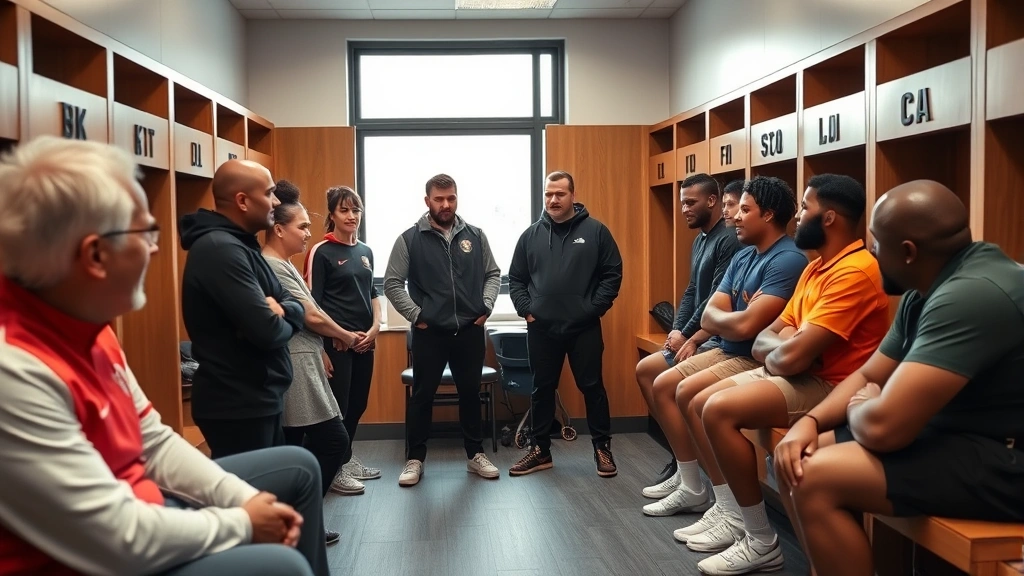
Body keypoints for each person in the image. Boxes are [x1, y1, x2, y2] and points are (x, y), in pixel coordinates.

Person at [0, 136, 328, 576]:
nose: (156, 249)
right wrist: (242, 523)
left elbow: (151, 439)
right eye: (144, 232)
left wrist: (244, 500)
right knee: (280, 565)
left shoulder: (93, 332)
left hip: (145, 505)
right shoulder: (14, 370)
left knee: (298, 468)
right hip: (105, 557)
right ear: (95, 255)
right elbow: (118, 538)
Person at [775, 180, 1024, 576]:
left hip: (1008, 460)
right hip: (961, 436)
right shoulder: (924, 287)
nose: (872, 252)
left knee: (815, 476)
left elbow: (882, 427)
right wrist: (810, 421)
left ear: (908, 252)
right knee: (795, 454)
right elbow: (872, 373)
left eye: (877, 243)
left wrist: (863, 405)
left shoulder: (971, 294)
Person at [688, 174, 890, 575]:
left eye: (804, 208)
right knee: (699, 401)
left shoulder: (855, 271)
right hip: (798, 375)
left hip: (832, 387)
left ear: (829, 218)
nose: (796, 217)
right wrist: (786, 345)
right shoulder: (817, 268)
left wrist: (786, 346)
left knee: (718, 410)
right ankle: (739, 523)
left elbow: (789, 352)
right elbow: (769, 339)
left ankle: (760, 540)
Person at [640, 176, 807, 517]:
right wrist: (723, 318)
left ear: (770, 215)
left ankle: (727, 506)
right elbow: (711, 310)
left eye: (744, 209)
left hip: (747, 355)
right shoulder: (745, 256)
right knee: (666, 384)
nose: (736, 217)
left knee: (687, 394)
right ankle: (704, 491)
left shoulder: (787, 259)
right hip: (730, 347)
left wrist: (724, 318)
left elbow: (745, 325)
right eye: (735, 208)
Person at [179, 160, 305, 459]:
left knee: (271, 495)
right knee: (252, 499)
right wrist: (283, 314)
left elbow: (292, 303)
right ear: (243, 201)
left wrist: (285, 310)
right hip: (237, 405)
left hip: (259, 398)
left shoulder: (243, 245)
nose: (276, 202)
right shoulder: (221, 250)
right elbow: (268, 331)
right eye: (270, 193)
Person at [383, 173, 502, 487]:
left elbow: (493, 273)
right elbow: (392, 284)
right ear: (427, 201)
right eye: (439, 199)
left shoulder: (475, 236)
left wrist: (486, 306)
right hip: (430, 333)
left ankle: (475, 455)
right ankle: (415, 459)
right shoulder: (409, 239)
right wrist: (416, 315)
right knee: (422, 396)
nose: (446, 204)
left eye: (451, 198)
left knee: (470, 394)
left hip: (469, 331)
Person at [508, 170, 624, 477]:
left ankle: (602, 448)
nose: (553, 200)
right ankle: (540, 450)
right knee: (541, 388)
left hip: (583, 327)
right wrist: (526, 309)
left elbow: (612, 274)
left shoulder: (596, 231)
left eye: (559, 194)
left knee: (592, 387)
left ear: (572, 195)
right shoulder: (530, 235)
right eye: (548, 194)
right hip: (542, 328)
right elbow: (516, 279)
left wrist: (592, 309)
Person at [262, 180, 365, 506]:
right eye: (303, 226)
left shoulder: (285, 264)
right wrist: (343, 336)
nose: (309, 232)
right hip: (297, 361)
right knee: (332, 439)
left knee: (295, 441)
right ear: (279, 230)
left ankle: (296, 515)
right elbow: (312, 315)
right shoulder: (275, 266)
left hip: (308, 356)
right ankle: (302, 512)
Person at [635, 173, 741, 484]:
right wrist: (676, 328)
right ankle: (683, 459)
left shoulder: (729, 239)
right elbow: (692, 289)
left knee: (664, 382)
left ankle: (689, 469)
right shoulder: (700, 240)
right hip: (693, 333)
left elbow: (715, 298)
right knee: (645, 371)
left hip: (714, 338)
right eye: (682, 203)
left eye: (690, 203)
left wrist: (689, 335)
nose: (684, 209)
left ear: (712, 201)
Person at [305, 186, 382, 484]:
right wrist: (322, 348)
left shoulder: (365, 251)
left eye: (356, 210)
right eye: (344, 210)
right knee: (338, 407)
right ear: (332, 214)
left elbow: (373, 293)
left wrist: (375, 329)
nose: (351, 216)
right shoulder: (320, 251)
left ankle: (344, 460)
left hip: (365, 343)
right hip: (335, 344)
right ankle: (333, 468)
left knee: (358, 404)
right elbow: (312, 305)